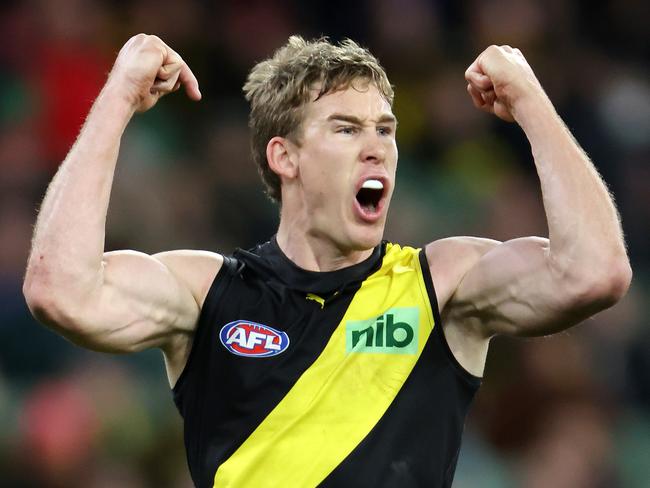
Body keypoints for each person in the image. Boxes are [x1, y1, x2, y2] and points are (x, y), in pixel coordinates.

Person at [23, 34, 631, 488]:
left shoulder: (439, 284)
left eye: (386, 130)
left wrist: (530, 100)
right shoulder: (207, 293)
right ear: (284, 157)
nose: (377, 148)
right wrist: (118, 95)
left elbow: (594, 272)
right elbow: (59, 290)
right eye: (346, 129)